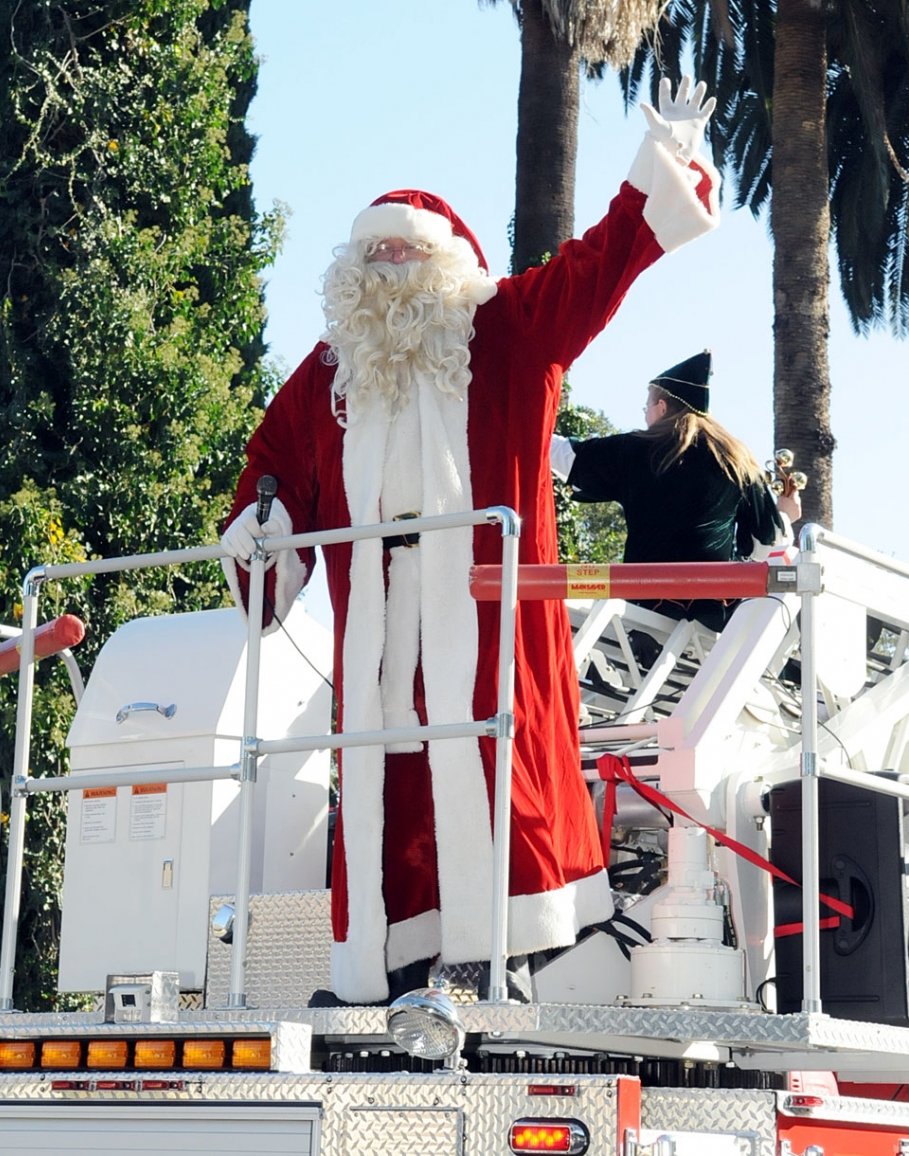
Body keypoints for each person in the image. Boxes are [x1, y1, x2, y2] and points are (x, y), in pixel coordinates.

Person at [220, 78, 722, 1006]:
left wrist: (660, 169)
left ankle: (495, 954)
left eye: (405, 254)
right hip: (377, 622)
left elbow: (598, 266)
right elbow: (271, 478)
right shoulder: (329, 374)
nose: (389, 271)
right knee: (389, 790)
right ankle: (381, 970)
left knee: (497, 776)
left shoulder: (506, 327)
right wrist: (263, 532)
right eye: (372, 258)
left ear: (446, 263)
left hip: (485, 611)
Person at [551, 350, 802, 632]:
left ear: (661, 406)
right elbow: (766, 546)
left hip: (643, 609)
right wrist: (784, 515)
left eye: (646, 407)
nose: (645, 415)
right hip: (712, 618)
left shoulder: (634, 449)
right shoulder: (738, 459)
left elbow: (564, 456)